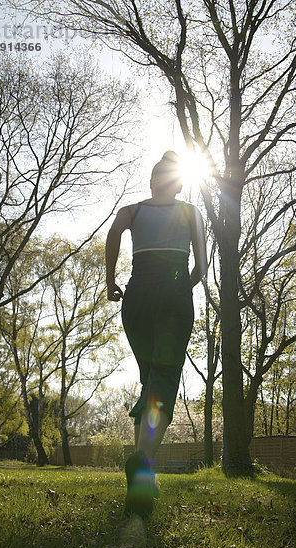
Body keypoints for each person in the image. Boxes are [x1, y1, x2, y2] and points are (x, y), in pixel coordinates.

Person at [105, 150, 207, 517]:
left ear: (152, 181)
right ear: (178, 184)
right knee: (163, 380)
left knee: (150, 379)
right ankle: (143, 458)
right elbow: (202, 266)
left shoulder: (131, 211)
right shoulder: (191, 213)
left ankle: (142, 484)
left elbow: (114, 233)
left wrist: (110, 280)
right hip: (174, 295)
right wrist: (181, 290)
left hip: (136, 298)